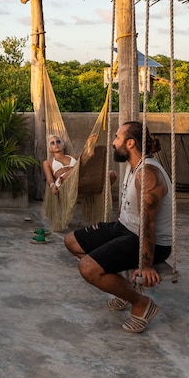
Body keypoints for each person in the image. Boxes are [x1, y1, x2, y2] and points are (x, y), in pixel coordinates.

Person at [62, 121, 173, 333]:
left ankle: (141, 304)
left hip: (149, 241)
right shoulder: (134, 167)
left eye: (116, 138)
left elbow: (149, 224)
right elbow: (130, 209)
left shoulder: (147, 175)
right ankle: (123, 289)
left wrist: (146, 265)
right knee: (71, 241)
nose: (113, 143)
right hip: (124, 228)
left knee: (88, 267)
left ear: (130, 143)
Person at [39, 134, 78, 228]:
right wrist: (52, 186)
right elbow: (49, 178)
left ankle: (72, 172)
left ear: (63, 145)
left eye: (58, 142)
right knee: (75, 169)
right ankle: (71, 173)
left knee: (111, 173)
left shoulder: (74, 157)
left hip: (77, 179)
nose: (56, 144)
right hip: (62, 183)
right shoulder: (48, 162)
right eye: (52, 143)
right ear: (50, 149)